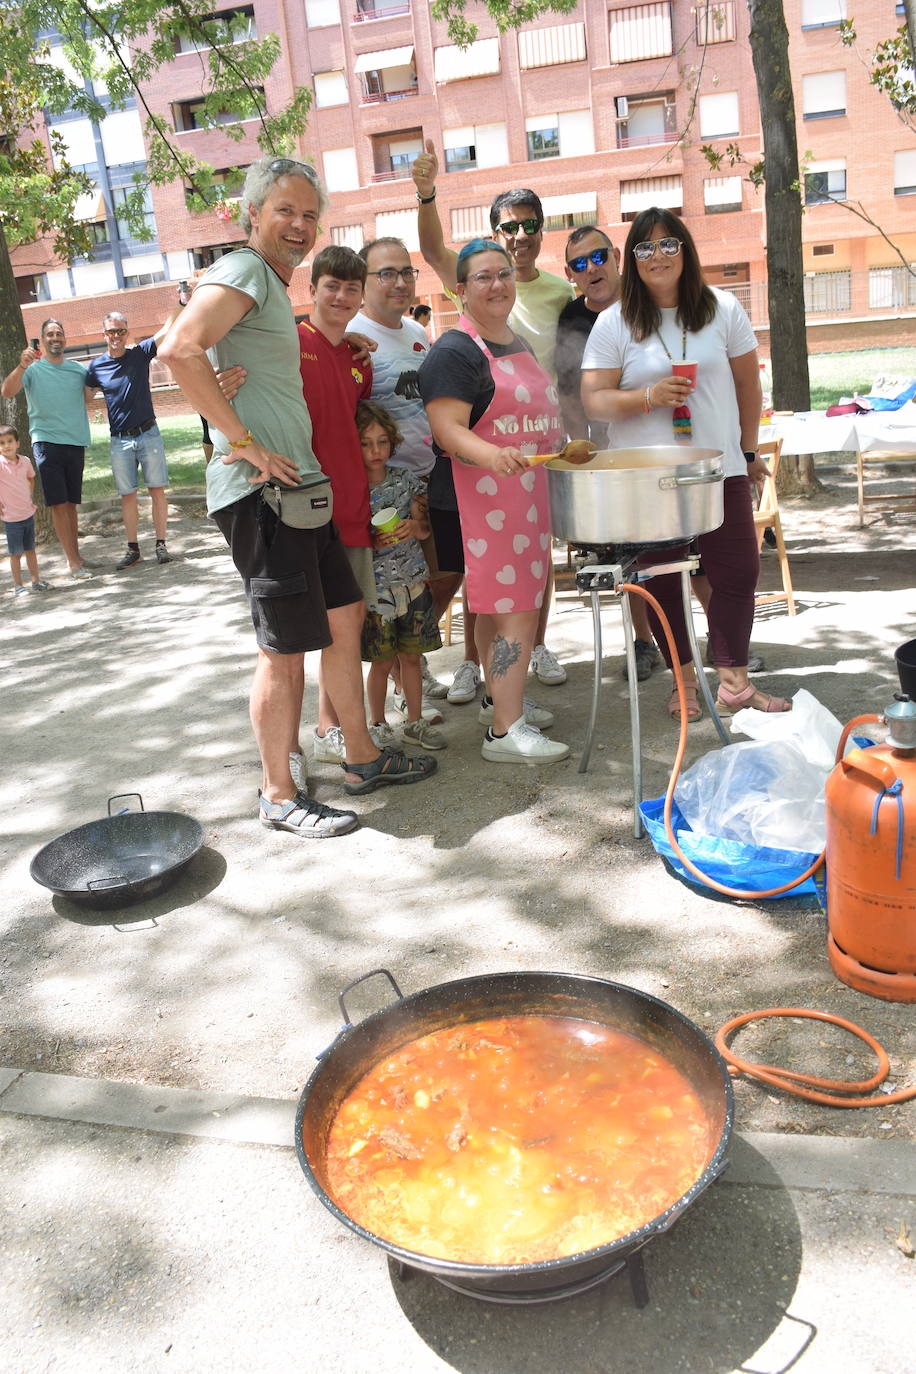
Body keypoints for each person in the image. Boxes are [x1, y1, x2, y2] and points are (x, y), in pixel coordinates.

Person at [158, 154, 436, 839]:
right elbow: (177, 348)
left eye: (310, 214)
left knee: (343, 617)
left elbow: (205, 361)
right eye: (285, 209)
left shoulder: (272, 288)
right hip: (263, 491)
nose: (299, 224)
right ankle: (280, 793)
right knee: (281, 651)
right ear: (252, 213)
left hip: (302, 489)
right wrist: (239, 439)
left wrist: (227, 407)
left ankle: (361, 758)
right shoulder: (247, 270)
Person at [581, 207, 790, 720]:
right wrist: (647, 396)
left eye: (668, 244)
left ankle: (735, 682)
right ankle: (684, 682)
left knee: (739, 569)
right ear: (632, 259)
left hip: (719, 469)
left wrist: (748, 449)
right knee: (662, 580)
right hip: (649, 479)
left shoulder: (722, 307)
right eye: (645, 247)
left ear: (686, 250)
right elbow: (594, 401)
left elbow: (748, 385)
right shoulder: (615, 322)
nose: (658, 256)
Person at [411, 141, 571, 690]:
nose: (520, 235)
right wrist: (428, 192)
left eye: (530, 226)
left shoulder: (558, 293)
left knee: (530, 576)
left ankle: (526, 665)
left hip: (537, 452)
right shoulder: (472, 290)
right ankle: (480, 675)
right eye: (509, 227)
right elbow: (433, 247)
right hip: (485, 455)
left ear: (541, 231)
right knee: (484, 579)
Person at [419, 238, 570, 764]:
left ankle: (496, 700)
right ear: (460, 290)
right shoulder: (455, 350)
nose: (496, 284)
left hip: (528, 498)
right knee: (515, 612)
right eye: (482, 277)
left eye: (503, 274)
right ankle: (506, 732)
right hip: (487, 499)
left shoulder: (517, 343)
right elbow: (446, 429)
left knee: (494, 608)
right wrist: (492, 455)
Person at [557, 225, 661, 686]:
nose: (592, 269)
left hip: (661, 446)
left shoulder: (650, 301)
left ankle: (720, 643)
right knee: (627, 556)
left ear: (616, 255)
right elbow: (569, 392)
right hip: (609, 457)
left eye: (598, 257)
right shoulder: (571, 319)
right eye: (580, 264)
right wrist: (582, 451)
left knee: (690, 550)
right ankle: (643, 643)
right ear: (570, 274)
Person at [351, 237, 452, 707]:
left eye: (406, 272)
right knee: (387, 588)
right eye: (386, 274)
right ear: (365, 281)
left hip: (427, 477)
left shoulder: (416, 330)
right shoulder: (353, 333)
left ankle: (413, 663)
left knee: (429, 578)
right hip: (381, 487)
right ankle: (391, 676)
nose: (399, 282)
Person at [357, 400, 446, 753]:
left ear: (392, 442)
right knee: (380, 662)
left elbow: (424, 530)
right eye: (366, 442)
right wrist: (371, 537)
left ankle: (415, 721)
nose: (376, 450)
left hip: (413, 582)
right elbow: (349, 537)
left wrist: (414, 525)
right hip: (377, 589)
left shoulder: (406, 480)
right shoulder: (351, 489)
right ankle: (377, 725)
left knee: (412, 658)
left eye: (382, 441)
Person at [1, 319, 96, 579]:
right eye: (50, 334)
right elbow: (7, 391)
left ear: (65, 339)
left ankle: (78, 557)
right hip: (47, 442)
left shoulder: (77, 370)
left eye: (59, 334)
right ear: (42, 340)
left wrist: (96, 383)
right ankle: (72, 563)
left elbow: (89, 398)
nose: (55, 338)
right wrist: (21, 365)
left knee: (72, 504)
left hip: (75, 442)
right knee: (59, 504)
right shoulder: (32, 369)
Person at [85, 309, 180, 568]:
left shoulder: (140, 354)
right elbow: (83, 398)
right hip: (119, 441)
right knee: (127, 495)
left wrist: (182, 301)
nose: (116, 336)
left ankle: (161, 545)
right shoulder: (96, 367)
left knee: (157, 491)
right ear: (103, 334)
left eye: (121, 331)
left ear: (127, 332)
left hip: (149, 433)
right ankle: (133, 550)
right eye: (111, 331)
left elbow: (167, 329)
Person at [0, 424, 50, 595]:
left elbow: (31, 478)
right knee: (15, 553)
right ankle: (18, 585)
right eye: (1, 443)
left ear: (17, 443)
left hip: (27, 513)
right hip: (11, 518)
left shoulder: (26, 462)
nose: (6, 446)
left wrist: (27, 494)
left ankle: (36, 581)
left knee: (31, 550)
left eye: (9, 441)